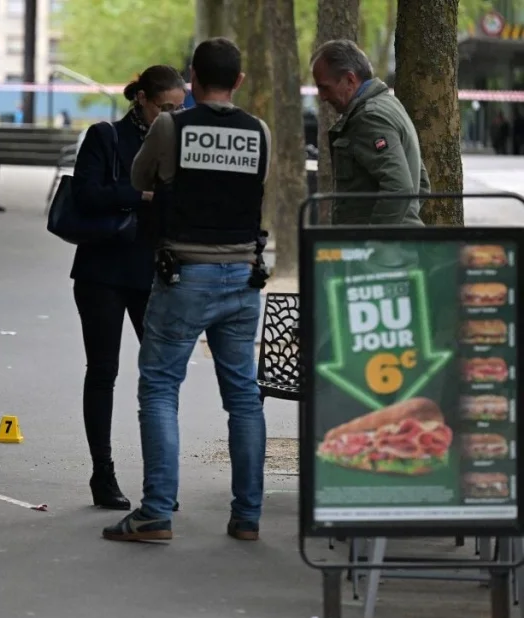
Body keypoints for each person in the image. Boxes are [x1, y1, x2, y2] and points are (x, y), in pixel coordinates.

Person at [102, 38, 270, 543]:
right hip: (243, 276)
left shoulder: (170, 126)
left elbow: (139, 177)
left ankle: (155, 513)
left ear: (192, 77)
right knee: (243, 397)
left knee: (158, 388)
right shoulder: (258, 131)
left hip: (185, 274)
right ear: (238, 80)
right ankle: (248, 516)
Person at [70, 65, 186, 511]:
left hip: (150, 269)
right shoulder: (106, 137)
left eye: (179, 107)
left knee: (159, 378)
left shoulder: (178, 139)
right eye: (164, 106)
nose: (170, 115)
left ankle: (160, 482)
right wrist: (142, 196)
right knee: (103, 371)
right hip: (101, 269)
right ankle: (103, 473)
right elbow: (87, 194)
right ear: (141, 99)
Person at [311, 39, 429, 225]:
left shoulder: (369, 118)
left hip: (381, 251)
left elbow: (399, 188)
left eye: (325, 87)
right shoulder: (390, 106)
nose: (323, 97)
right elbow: (421, 184)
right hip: (397, 247)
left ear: (350, 80)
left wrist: (374, 242)